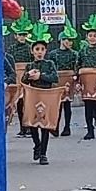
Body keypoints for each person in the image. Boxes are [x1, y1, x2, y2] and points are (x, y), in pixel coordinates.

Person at [21, 30, 58, 165]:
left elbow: (55, 78)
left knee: (45, 125)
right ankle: (37, 144)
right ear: (32, 51)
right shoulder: (30, 66)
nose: (40, 52)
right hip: (33, 97)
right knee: (33, 124)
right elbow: (23, 82)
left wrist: (40, 76)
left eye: (42, 49)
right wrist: (28, 75)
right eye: (37, 49)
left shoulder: (49, 64)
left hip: (46, 96)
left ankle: (43, 153)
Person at [52, 24, 78, 137]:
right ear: (61, 40)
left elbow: (76, 67)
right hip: (58, 79)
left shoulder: (74, 54)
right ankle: (55, 127)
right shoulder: (53, 54)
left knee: (67, 104)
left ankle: (67, 127)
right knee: (57, 105)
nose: (70, 42)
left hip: (69, 79)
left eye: (71, 40)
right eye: (67, 40)